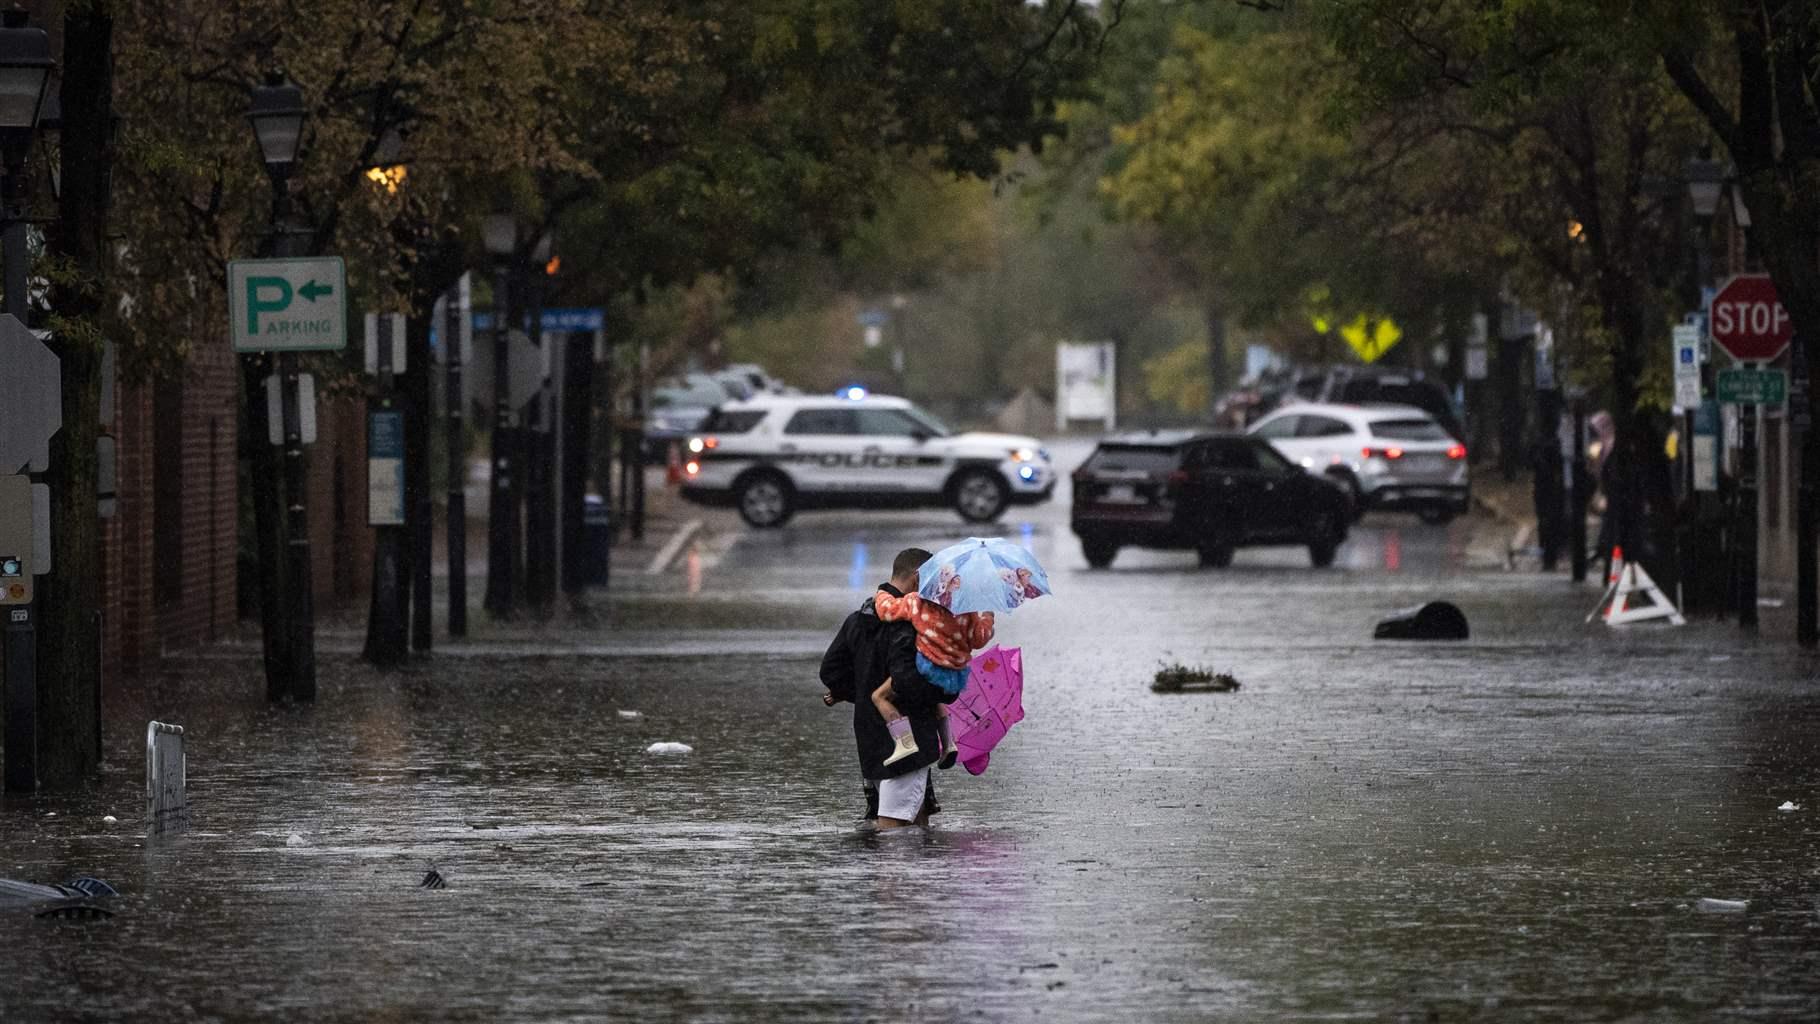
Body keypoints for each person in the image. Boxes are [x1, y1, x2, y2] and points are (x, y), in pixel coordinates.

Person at [819, 547, 957, 829]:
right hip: (910, 741)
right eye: (932, 582)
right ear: (917, 580)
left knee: (917, 823)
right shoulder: (914, 627)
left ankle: (919, 873)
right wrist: (945, 689)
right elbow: (911, 681)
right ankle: (890, 875)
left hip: (870, 737)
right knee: (894, 832)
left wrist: (858, 694)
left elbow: (830, 671)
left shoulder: (858, 619)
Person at [869, 571, 994, 768]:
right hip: (953, 679)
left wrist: (881, 594)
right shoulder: (967, 611)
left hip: (926, 670)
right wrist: (988, 616)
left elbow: (887, 611)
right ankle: (948, 743)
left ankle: (904, 742)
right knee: (935, 698)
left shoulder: (918, 602)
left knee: (879, 697)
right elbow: (980, 638)